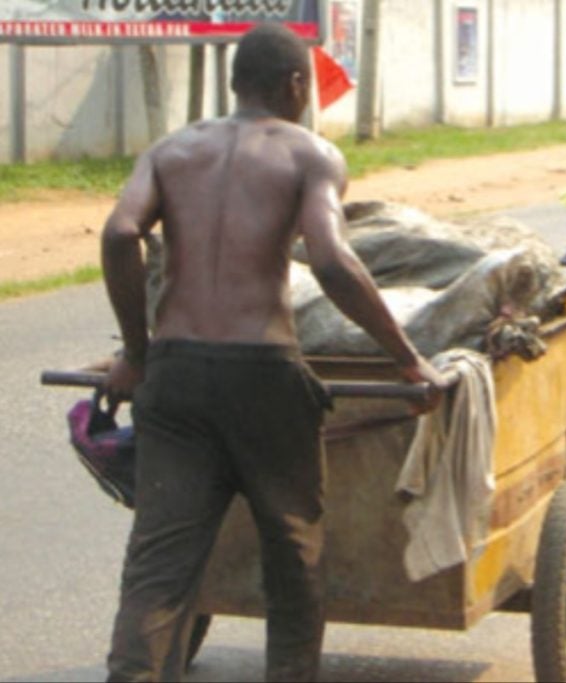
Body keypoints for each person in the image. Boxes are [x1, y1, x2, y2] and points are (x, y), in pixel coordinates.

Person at [100, 23, 444, 682]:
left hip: (175, 376)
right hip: (262, 376)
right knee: (294, 554)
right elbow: (333, 261)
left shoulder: (171, 150)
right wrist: (407, 358)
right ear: (294, 85)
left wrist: (137, 353)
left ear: (235, 84)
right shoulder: (311, 154)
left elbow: (121, 233)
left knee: (158, 563)